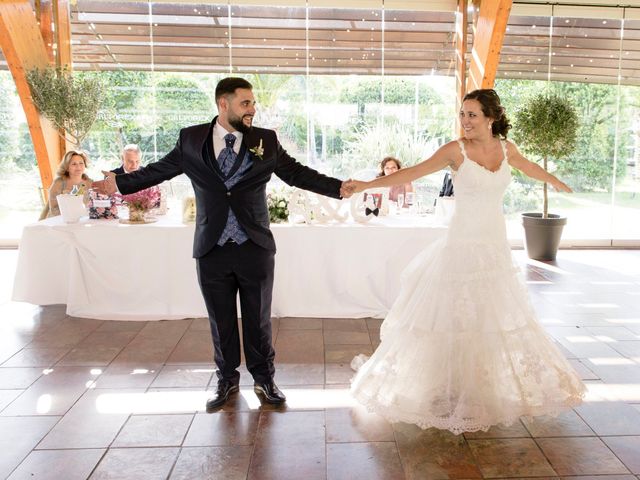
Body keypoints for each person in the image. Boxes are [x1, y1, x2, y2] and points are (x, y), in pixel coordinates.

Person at [93, 77, 353, 411]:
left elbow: (297, 173)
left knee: (258, 318)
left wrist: (339, 187)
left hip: (254, 246)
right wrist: (119, 184)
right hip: (211, 246)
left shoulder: (266, 140)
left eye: (253, 103)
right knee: (220, 319)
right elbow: (160, 171)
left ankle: (264, 380)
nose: (252, 110)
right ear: (223, 104)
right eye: (246, 103)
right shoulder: (191, 139)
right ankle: (227, 380)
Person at [347, 89, 585, 434]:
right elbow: (411, 173)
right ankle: (440, 382)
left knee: (488, 317)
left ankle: (478, 384)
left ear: (491, 118)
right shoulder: (454, 150)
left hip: (493, 248)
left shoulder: (506, 149)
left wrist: (555, 180)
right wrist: (369, 184)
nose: (465, 121)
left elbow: (529, 166)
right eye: (462, 114)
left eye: (472, 114)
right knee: (451, 316)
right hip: (460, 246)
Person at [41, 150, 93, 219]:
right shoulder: (59, 183)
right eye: (74, 164)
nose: (78, 167)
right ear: (67, 167)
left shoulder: (89, 182)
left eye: (81, 163)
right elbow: (54, 209)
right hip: (59, 220)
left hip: (83, 220)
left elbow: (92, 205)